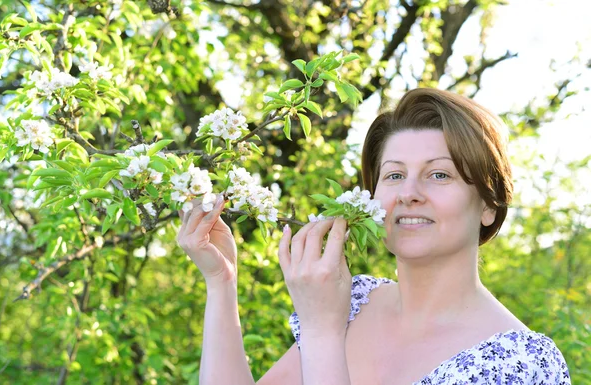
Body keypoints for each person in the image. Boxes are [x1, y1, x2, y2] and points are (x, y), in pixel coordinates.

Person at [177, 88, 571, 385]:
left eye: (439, 174)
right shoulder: (355, 302)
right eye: (394, 175)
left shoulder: (522, 362)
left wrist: (322, 332)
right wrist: (221, 281)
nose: (409, 193)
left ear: (488, 204)